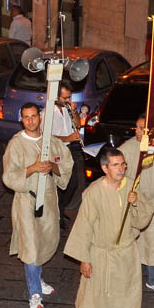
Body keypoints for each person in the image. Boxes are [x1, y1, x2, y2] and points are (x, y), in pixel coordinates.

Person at [63, 147, 153, 308]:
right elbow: (84, 226)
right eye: (116, 165)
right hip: (100, 252)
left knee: (124, 295)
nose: (121, 169)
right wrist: (84, 258)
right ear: (104, 168)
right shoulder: (93, 193)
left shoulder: (131, 186)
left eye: (123, 164)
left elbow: (142, 220)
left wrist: (136, 203)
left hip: (126, 252)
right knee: (92, 290)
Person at [3, 102, 72, 308]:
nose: (30, 120)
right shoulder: (16, 144)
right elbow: (9, 175)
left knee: (44, 241)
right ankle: (34, 293)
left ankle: (38, 279)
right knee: (30, 247)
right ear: (21, 119)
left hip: (48, 200)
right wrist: (32, 168)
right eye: (26, 117)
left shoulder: (51, 141)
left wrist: (53, 167)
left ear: (40, 118)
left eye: (33, 116)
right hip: (26, 201)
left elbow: (67, 163)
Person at [118, 116, 154, 296]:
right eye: (136, 127)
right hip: (132, 202)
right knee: (129, 240)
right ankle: (126, 277)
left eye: (141, 128)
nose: (137, 131)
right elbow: (116, 175)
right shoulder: (126, 149)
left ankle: (153, 279)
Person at [51, 80, 84, 226]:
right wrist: (67, 138)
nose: (68, 100)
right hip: (57, 151)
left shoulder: (66, 108)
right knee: (62, 184)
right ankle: (56, 213)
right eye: (65, 98)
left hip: (69, 149)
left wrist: (74, 111)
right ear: (56, 96)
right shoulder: (48, 113)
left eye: (69, 97)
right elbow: (48, 137)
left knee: (73, 183)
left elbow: (78, 124)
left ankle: (60, 210)